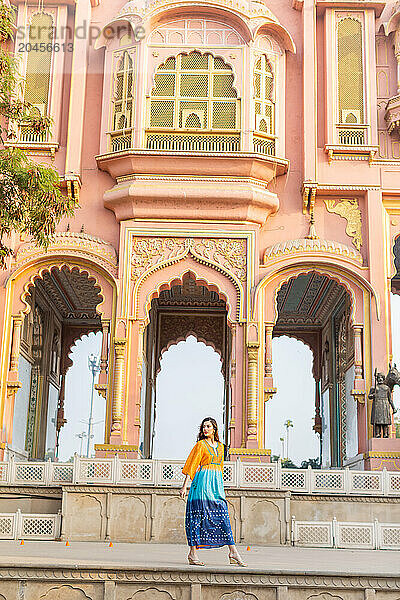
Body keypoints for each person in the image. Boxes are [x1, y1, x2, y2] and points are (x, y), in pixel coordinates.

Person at [179, 417, 246, 567]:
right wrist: (185, 486)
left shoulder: (221, 447)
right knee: (197, 518)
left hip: (215, 486)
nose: (205, 429)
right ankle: (192, 554)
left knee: (223, 516)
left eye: (208, 426)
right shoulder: (200, 445)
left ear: (214, 428)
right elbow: (192, 466)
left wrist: (220, 488)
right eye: (204, 427)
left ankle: (232, 551)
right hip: (201, 485)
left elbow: (220, 469)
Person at [369, 372, 397, 438]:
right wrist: (373, 395)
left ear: (383, 379)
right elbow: (369, 396)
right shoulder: (374, 388)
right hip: (377, 404)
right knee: (377, 421)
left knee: (385, 421)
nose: (380, 379)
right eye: (379, 378)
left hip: (385, 405)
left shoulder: (387, 388)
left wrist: (394, 408)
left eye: (381, 378)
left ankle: (385, 434)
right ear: (377, 379)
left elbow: (390, 399)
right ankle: (377, 434)